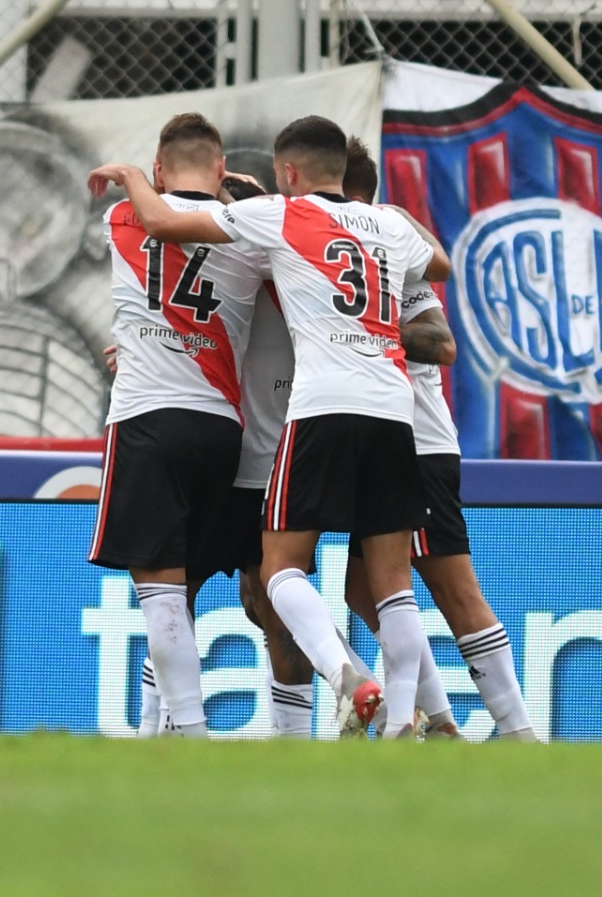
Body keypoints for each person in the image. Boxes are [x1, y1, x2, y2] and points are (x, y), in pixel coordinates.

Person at [89, 115, 451, 738]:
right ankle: (412, 717)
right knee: (308, 595)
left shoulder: (262, 227)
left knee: (208, 591)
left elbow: (164, 229)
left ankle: (204, 730)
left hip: (267, 437)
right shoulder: (282, 244)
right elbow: (436, 276)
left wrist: (136, 183)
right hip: (270, 435)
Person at [341, 137, 539, 742]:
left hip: (417, 445)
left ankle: (517, 731)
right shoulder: (343, 251)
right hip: (384, 444)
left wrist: (362, 321)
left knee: (454, 590)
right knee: (361, 589)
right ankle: (445, 724)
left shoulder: (389, 248)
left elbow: (441, 342)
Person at [89, 112, 267, 739]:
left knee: (161, 595)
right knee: (188, 591)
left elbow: (161, 216)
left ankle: (190, 736)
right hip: (222, 428)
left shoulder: (122, 216)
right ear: (221, 170)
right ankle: (154, 733)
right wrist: (231, 193)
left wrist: (137, 177)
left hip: (149, 417)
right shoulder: (252, 233)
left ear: (159, 170)